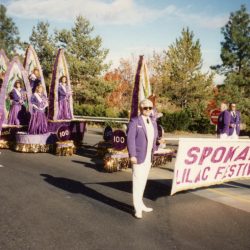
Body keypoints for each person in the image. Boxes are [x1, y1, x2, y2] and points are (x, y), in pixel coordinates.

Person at [127, 99, 158, 219]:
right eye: (146, 108)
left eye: (150, 108)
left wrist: (158, 144)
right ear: (141, 109)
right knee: (137, 182)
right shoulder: (135, 121)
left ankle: (141, 203)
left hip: (148, 157)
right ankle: (137, 208)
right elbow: (130, 139)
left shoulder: (152, 121)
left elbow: (154, 138)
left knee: (143, 181)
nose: (149, 110)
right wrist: (132, 155)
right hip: (138, 156)